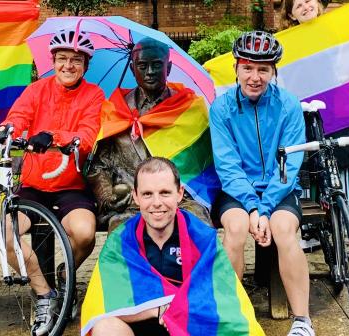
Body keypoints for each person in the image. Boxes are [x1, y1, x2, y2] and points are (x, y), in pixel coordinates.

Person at [0, 28, 104, 335]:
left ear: (86, 65)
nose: (68, 65)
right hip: (33, 185)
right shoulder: (36, 90)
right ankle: (44, 293)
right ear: (52, 61)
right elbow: (18, 118)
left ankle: (66, 277)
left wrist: (54, 137)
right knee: (4, 236)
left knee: (84, 233)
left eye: (76, 60)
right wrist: (5, 132)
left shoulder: (94, 95)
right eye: (62, 58)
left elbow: (88, 137)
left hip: (72, 186)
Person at [82, 157, 263, 336]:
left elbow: (222, 299)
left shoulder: (202, 238)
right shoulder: (120, 242)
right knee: (105, 327)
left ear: (180, 193)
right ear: (135, 197)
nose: (156, 202)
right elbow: (103, 304)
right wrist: (159, 309)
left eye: (165, 193)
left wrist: (179, 310)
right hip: (141, 327)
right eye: (147, 194)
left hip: (189, 327)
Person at [209, 31, 314, 336]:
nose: (254, 76)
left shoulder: (289, 105)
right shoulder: (221, 108)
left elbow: (290, 163)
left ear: (273, 71)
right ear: (236, 68)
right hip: (237, 191)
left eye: (263, 69)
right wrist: (253, 208)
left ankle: (302, 320)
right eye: (247, 68)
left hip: (279, 190)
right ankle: (230, 314)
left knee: (284, 231)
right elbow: (227, 166)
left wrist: (265, 208)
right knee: (236, 228)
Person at [87, 37, 210, 233]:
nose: (150, 72)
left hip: (179, 200)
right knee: (122, 235)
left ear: (168, 68)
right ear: (132, 69)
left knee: (200, 228)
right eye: (142, 65)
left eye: (157, 65)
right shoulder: (117, 109)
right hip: (132, 203)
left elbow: (203, 165)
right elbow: (98, 165)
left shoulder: (189, 108)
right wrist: (108, 195)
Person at [284, 0, 349, 263]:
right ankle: (310, 230)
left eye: (309, 0)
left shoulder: (338, 33)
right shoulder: (288, 44)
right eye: (297, 3)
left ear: (320, 5)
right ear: (290, 13)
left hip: (343, 112)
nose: (304, 5)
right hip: (304, 115)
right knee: (301, 165)